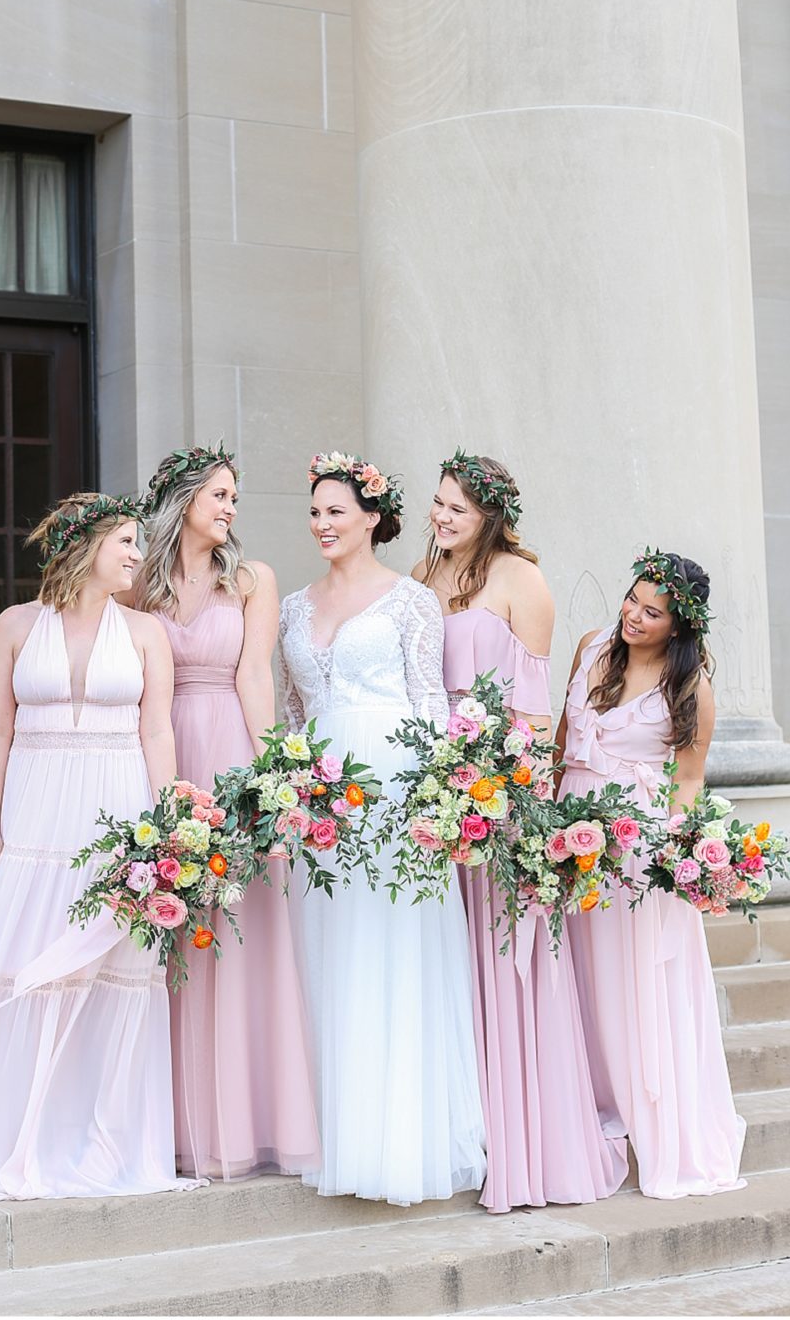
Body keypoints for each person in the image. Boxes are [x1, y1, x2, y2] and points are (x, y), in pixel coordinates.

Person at [0, 493, 183, 1207]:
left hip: (118, 812)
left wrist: (164, 834)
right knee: (21, 964)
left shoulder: (145, 633)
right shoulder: (14, 626)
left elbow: (157, 733)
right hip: (37, 823)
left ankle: (99, 1143)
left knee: (111, 973)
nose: (136, 554)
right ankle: (3, 1135)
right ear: (86, 545)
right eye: (126, 541)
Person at [416, 451, 628, 1213]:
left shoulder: (520, 581)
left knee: (503, 961)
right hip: (431, 797)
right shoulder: (421, 576)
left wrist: (512, 807)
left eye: (458, 511)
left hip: (495, 802)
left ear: (491, 517)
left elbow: (536, 718)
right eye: (437, 503)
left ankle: (528, 1142)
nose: (442, 519)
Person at [279, 451, 486, 1207]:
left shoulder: (409, 602)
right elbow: (294, 714)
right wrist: (293, 784)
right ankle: (335, 1125)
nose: (321, 524)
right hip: (323, 797)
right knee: (328, 946)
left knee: (390, 947)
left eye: (335, 511)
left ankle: (399, 1136)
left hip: (395, 793)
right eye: (313, 512)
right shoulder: (292, 609)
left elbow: (431, 703)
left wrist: (440, 798)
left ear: (372, 517)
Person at [131, 442, 319, 1180]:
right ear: (183, 502)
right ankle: (174, 1124)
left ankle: (245, 1123)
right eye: (219, 495)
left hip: (229, 751)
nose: (231, 507)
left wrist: (270, 780)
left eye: (234, 496)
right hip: (158, 751)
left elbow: (254, 677)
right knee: (171, 932)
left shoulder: (250, 580)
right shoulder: (137, 588)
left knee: (239, 935)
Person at [556, 548, 746, 1198]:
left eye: (652, 612)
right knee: (575, 980)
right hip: (568, 837)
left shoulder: (688, 687)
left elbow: (687, 781)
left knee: (624, 984)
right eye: (632, 600)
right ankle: (583, 1111)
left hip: (634, 853)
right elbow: (560, 746)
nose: (633, 616)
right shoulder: (589, 648)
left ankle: (644, 1118)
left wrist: (679, 858)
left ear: (678, 625)